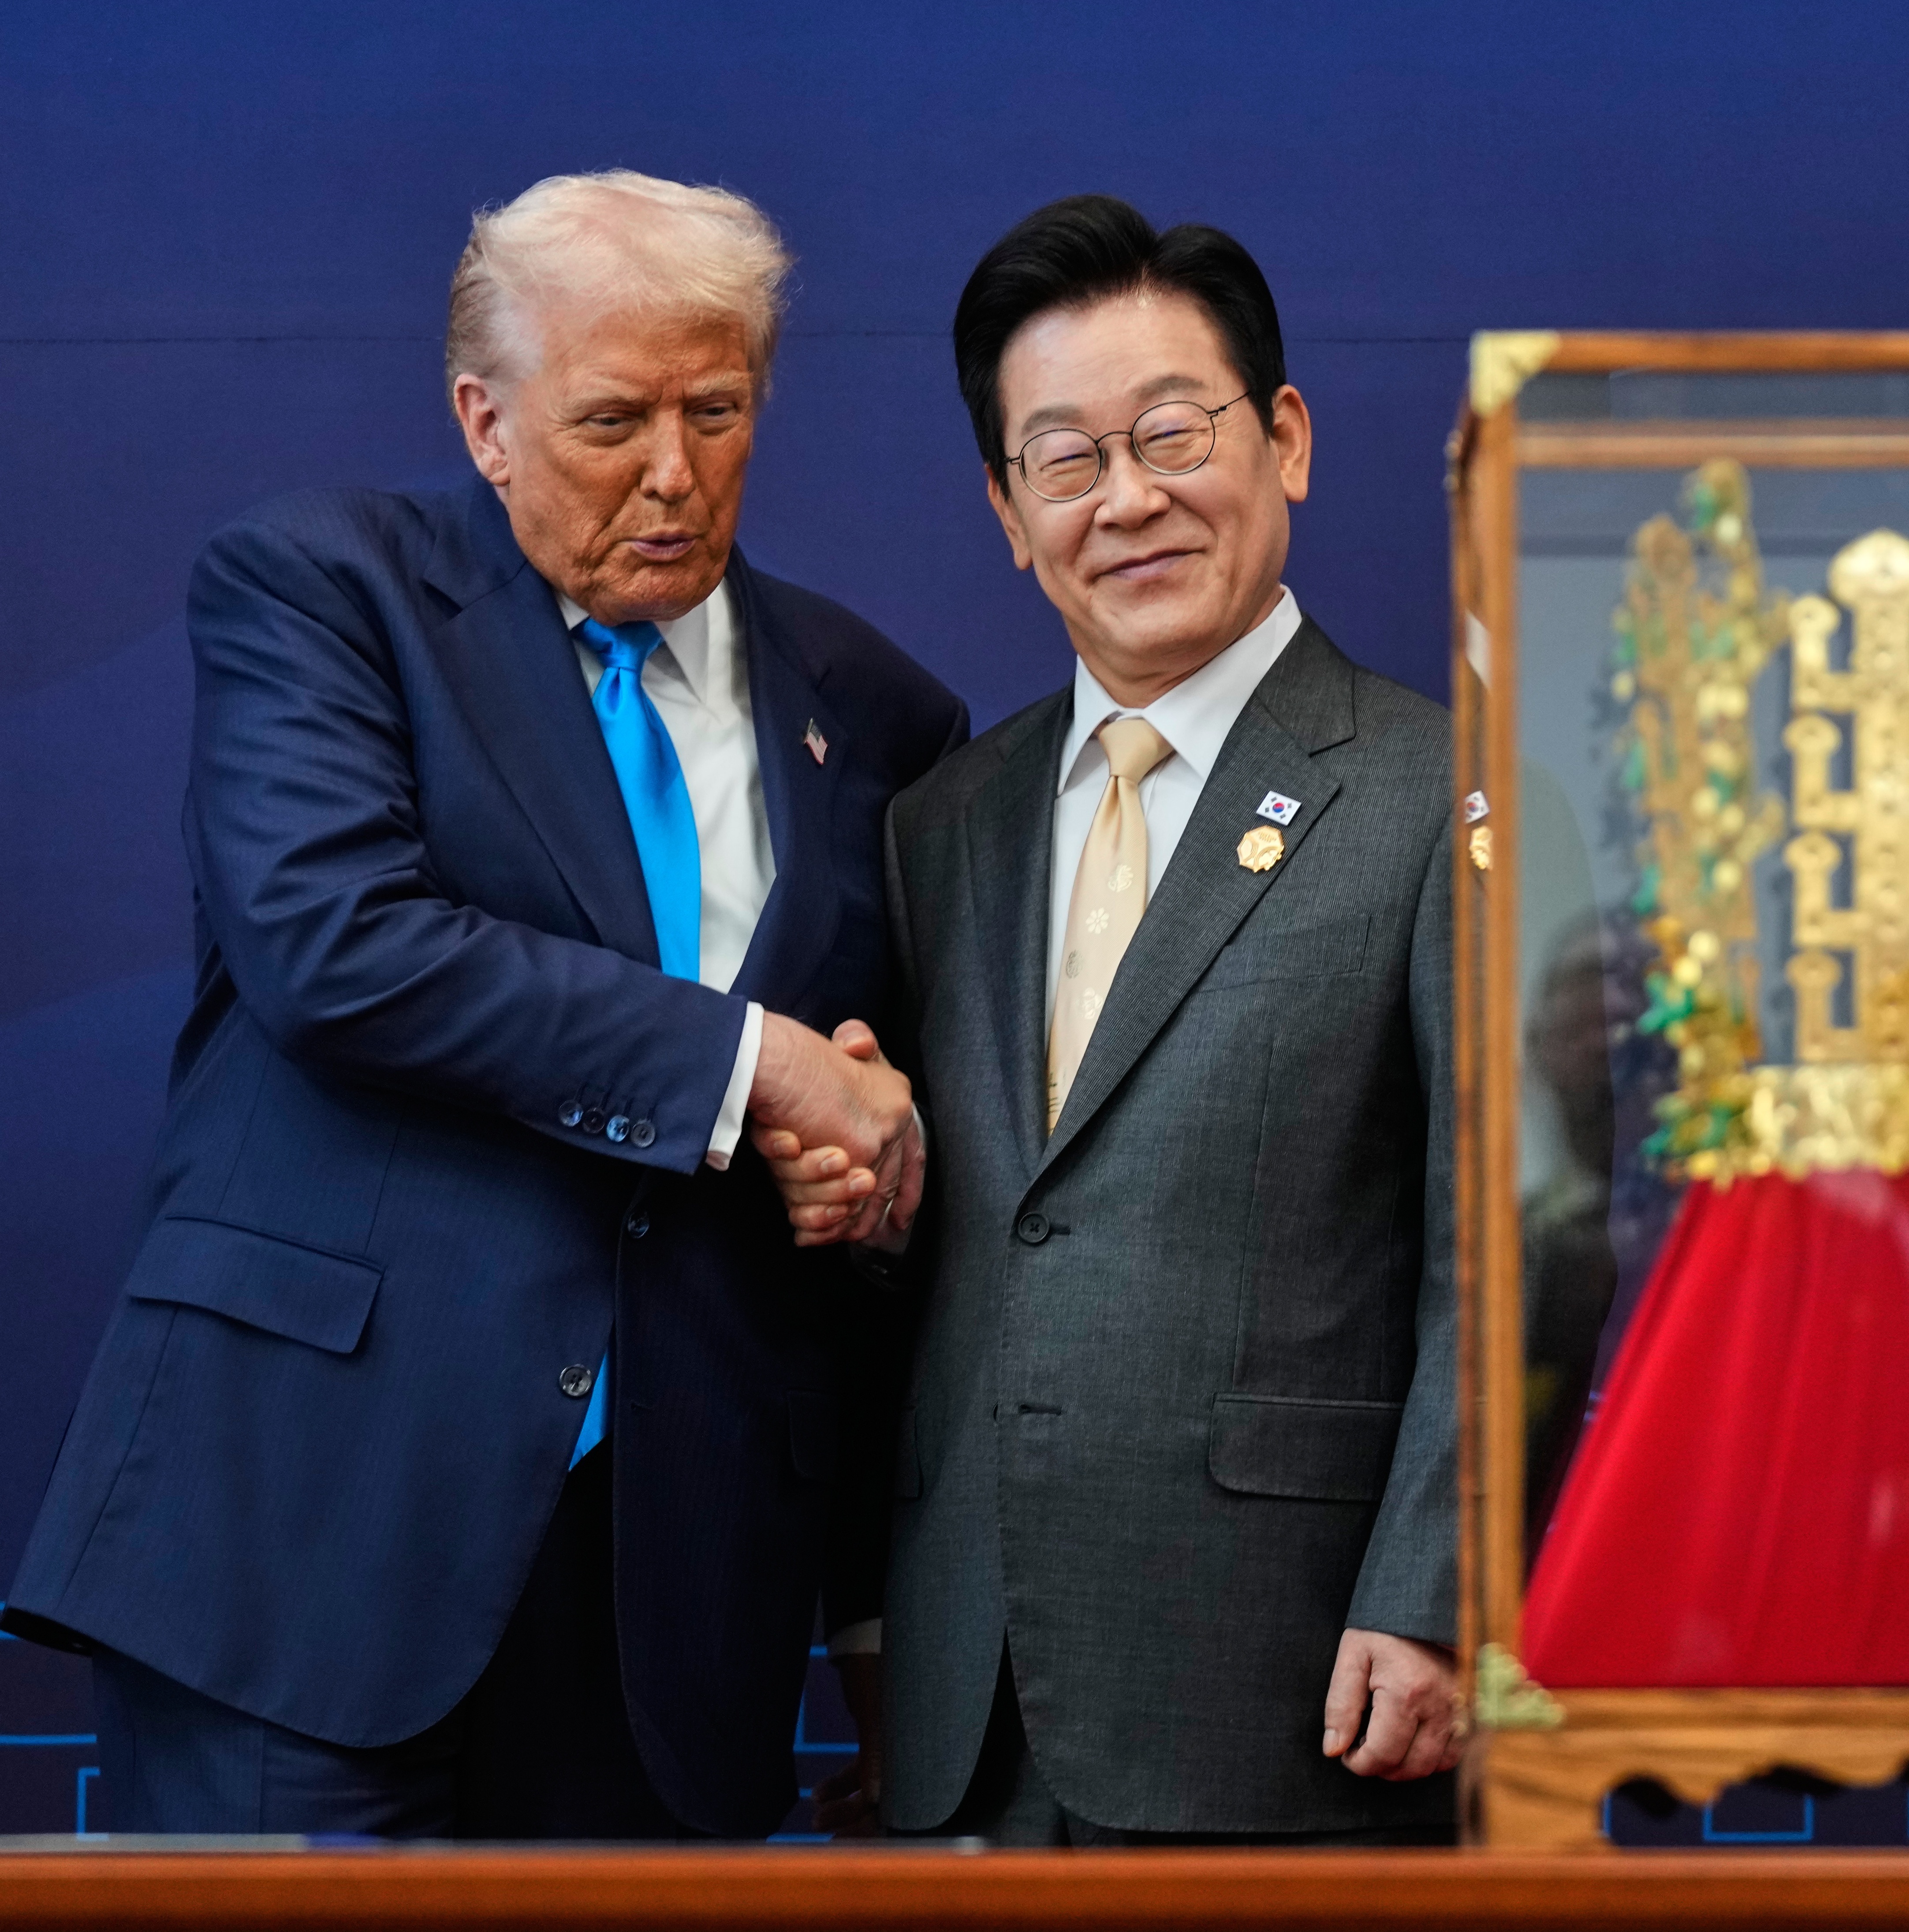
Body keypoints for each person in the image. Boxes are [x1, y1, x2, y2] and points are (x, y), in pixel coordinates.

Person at [1, 171, 964, 1839]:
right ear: (486, 420)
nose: (674, 472)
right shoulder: (323, 591)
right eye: (611, 420)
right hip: (301, 1548)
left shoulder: (880, 711)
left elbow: (873, 1130)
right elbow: (340, 948)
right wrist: (758, 1071)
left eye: (718, 410)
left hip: (678, 1612)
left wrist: (863, 1168)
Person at [769, 194, 1458, 1844]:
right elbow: (950, 1247)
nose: (1128, 499)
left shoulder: (1454, 795)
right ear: (1008, 513)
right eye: (1066, 460)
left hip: (1300, 1687)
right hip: (963, 1698)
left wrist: (1440, 1589)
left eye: (1172, 433)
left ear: (1283, 437)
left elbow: (1513, 1250)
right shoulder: (945, 820)